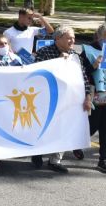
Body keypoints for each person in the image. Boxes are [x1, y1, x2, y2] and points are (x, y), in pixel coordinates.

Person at [31, 26, 93, 173]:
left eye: (73, 37)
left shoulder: (75, 56)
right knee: (44, 128)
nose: (73, 40)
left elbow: (83, 78)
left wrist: (88, 97)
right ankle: (37, 153)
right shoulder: (44, 52)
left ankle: (55, 160)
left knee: (65, 128)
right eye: (69, 37)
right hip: (47, 99)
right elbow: (35, 75)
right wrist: (58, 64)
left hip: (69, 100)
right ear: (58, 38)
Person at [74, 24, 106, 173]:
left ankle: (103, 160)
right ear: (100, 36)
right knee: (93, 125)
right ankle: (76, 143)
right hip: (95, 94)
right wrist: (94, 64)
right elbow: (81, 73)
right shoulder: (87, 51)